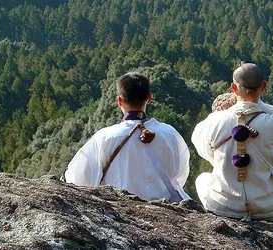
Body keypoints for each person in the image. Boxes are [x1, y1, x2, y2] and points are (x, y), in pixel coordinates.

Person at [192, 62, 273, 221]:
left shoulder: (214, 121)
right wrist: (260, 106)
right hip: (266, 209)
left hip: (224, 207)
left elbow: (205, 151)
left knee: (202, 178)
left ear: (234, 88)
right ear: (264, 87)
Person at [64, 73, 190, 202]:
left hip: (119, 209)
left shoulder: (105, 137)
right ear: (150, 98)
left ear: (119, 101)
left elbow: (80, 178)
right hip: (166, 208)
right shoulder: (169, 133)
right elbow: (180, 174)